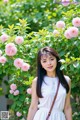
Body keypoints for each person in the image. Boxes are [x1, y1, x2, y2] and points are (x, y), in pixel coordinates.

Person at [27, 46, 72, 120]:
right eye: (44, 61)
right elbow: (33, 107)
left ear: (57, 60)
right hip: (41, 117)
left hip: (59, 117)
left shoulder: (66, 80)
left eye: (51, 59)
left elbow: (67, 107)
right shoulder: (37, 81)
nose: (49, 63)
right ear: (41, 64)